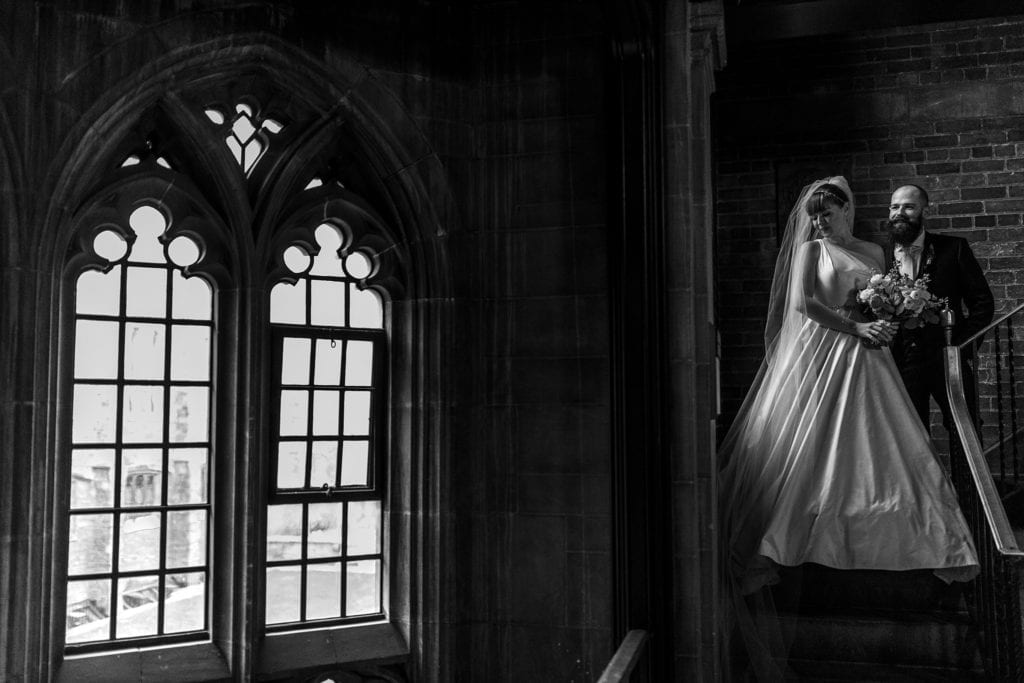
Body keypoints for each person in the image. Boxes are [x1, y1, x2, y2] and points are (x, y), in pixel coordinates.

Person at [719, 177, 979, 680]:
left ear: (848, 211)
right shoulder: (809, 250)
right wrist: (856, 325)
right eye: (815, 215)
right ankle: (797, 530)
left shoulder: (873, 250)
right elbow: (803, 305)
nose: (821, 222)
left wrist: (885, 316)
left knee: (885, 444)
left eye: (829, 214)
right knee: (811, 443)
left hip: (868, 358)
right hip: (825, 352)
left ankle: (919, 534)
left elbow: (877, 300)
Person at [887, 184, 994, 431]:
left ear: (925, 211)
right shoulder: (878, 255)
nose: (899, 213)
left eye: (909, 207)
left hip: (947, 358)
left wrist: (961, 347)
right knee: (909, 435)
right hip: (900, 362)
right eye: (894, 206)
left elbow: (982, 302)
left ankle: (966, 472)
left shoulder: (953, 248)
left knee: (965, 429)